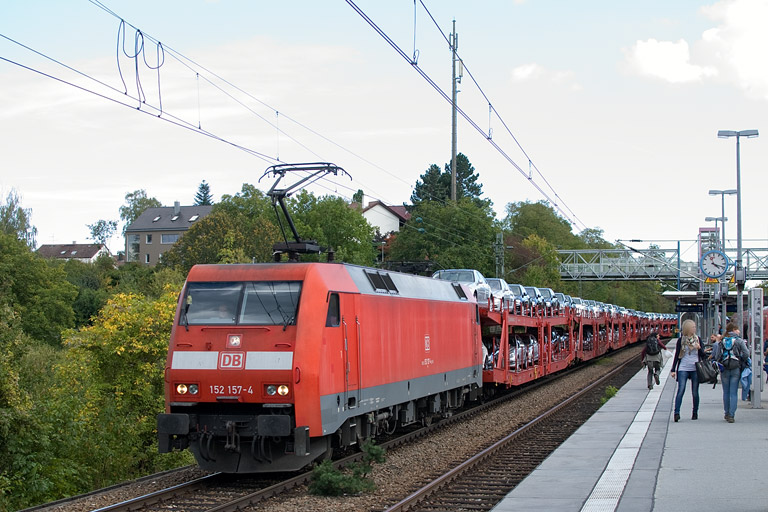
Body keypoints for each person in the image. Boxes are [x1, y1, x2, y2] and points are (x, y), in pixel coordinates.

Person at [710, 322, 749, 423]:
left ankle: (726, 413)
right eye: (737, 329)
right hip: (736, 368)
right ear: (734, 330)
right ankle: (732, 415)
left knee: (726, 392)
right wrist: (741, 361)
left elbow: (717, 355)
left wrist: (720, 362)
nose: (739, 331)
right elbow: (746, 353)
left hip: (725, 368)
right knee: (733, 392)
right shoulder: (739, 341)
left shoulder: (722, 341)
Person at [670, 319, 706, 422]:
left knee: (695, 391)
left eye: (695, 327)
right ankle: (676, 413)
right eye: (693, 327)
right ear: (688, 328)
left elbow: (703, 356)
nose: (694, 328)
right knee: (681, 390)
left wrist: (699, 349)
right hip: (683, 368)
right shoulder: (681, 340)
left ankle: (695, 412)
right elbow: (677, 355)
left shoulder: (698, 339)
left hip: (695, 368)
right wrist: (673, 369)